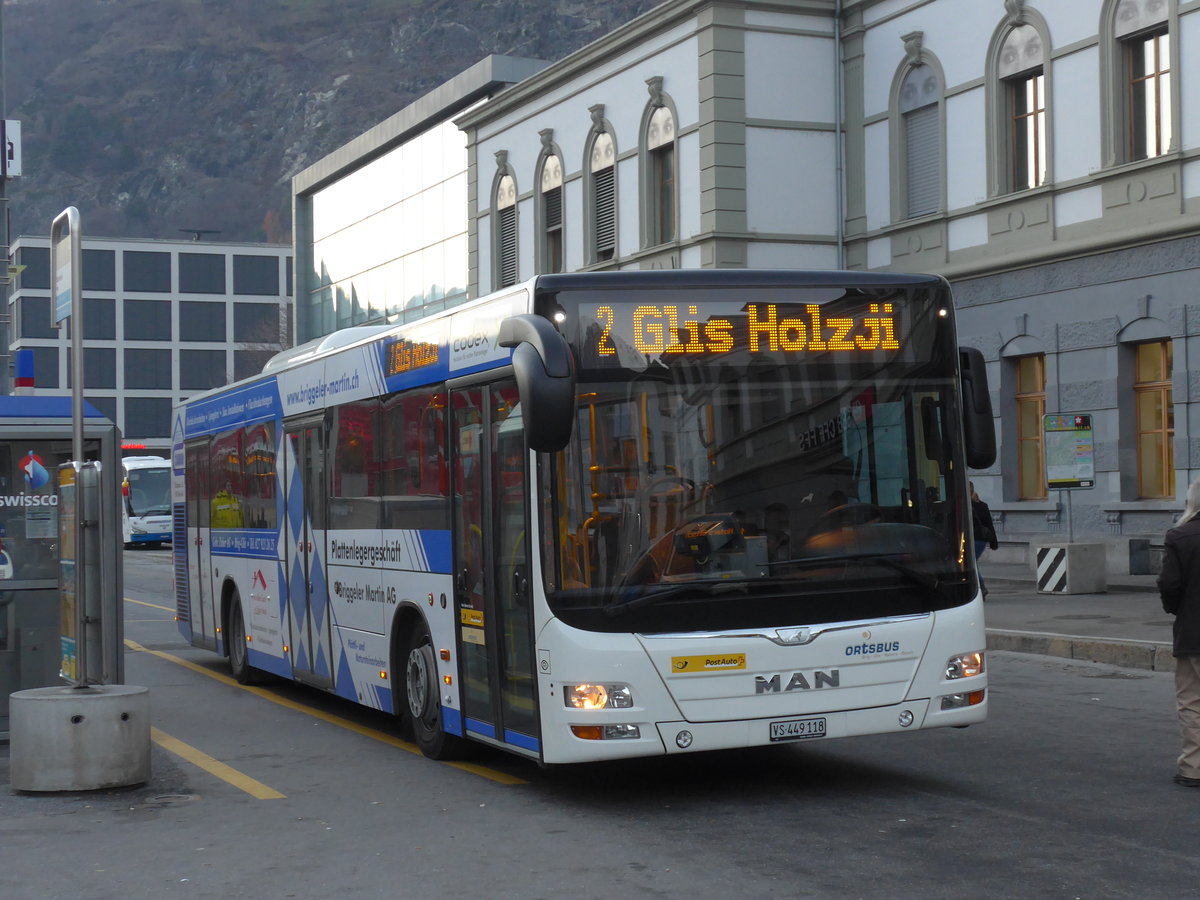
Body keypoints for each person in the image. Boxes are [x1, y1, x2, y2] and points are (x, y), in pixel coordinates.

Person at [1156, 477, 1200, 788]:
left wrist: (1176, 609)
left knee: (1192, 700)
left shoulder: (1180, 536)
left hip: (1194, 633)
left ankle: (1194, 768)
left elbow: (1169, 584)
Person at [970, 482, 998, 599]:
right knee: (972, 564)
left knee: (971, 564)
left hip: (973, 539)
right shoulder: (982, 505)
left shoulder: (965, 506)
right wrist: (993, 542)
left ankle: (982, 587)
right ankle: (981, 588)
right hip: (981, 540)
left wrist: (994, 542)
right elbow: (989, 524)